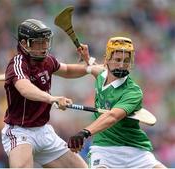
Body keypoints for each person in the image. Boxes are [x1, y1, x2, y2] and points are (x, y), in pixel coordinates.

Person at [1, 19, 89, 168]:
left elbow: (67, 70)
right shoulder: (17, 63)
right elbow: (25, 88)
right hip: (20, 132)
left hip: (44, 131)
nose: (44, 47)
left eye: (45, 42)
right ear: (24, 43)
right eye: (38, 43)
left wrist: (89, 67)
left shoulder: (47, 60)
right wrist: (52, 98)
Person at [68, 37, 167, 168]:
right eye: (118, 60)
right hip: (104, 150)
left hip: (135, 150)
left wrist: (85, 132)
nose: (121, 65)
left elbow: (113, 116)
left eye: (126, 61)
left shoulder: (133, 91)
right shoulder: (101, 75)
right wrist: (87, 58)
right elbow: (91, 67)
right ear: (106, 60)